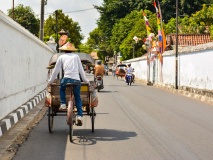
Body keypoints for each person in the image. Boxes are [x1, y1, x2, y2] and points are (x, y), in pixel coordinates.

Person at [47, 42, 89, 125]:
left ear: (64, 50)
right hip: (76, 80)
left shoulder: (61, 57)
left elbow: (55, 71)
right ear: (72, 51)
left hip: (66, 79)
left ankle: (63, 104)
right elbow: (81, 71)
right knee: (77, 97)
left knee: (61, 89)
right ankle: (80, 116)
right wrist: (86, 81)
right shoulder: (76, 57)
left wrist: (50, 82)